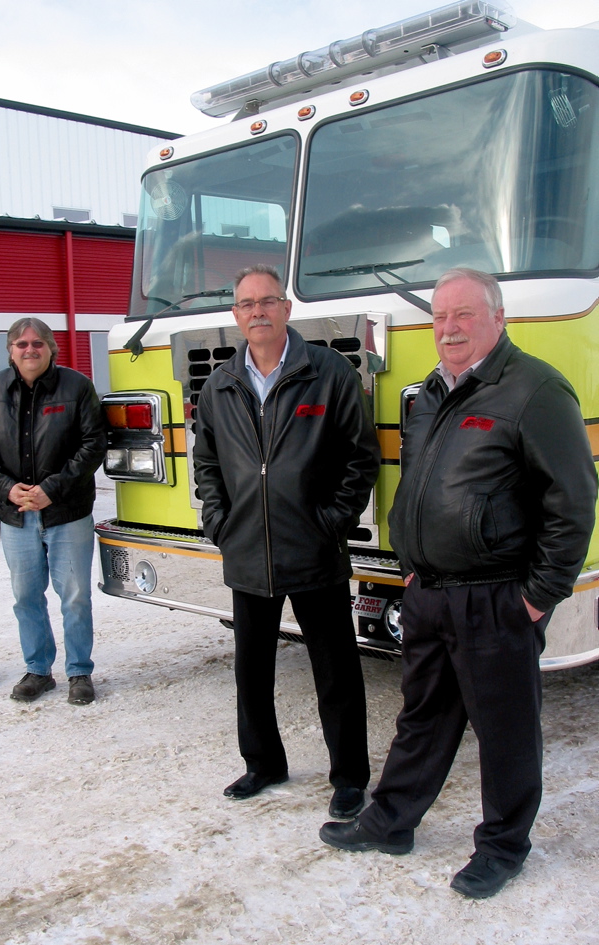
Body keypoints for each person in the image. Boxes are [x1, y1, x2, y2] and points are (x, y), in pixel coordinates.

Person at [320, 268, 597, 898]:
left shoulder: (535, 390)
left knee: (505, 731)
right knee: (421, 717)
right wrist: (412, 562)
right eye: (441, 316)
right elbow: (419, 482)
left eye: (464, 315)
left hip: (496, 596)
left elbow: (574, 503)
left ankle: (503, 846)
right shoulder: (432, 394)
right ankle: (391, 821)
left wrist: (536, 597)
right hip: (429, 593)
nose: (449, 328)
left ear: (499, 319)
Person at [193, 264, 380, 816]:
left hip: (315, 549)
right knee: (251, 669)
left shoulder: (327, 374)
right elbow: (206, 463)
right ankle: (263, 764)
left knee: (336, 670)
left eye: (268, 301)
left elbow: (361, 457)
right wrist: (220, 523)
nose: (258, 312)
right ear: (235, 315)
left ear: (286, 308)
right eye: (247, 304)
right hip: (247, 549)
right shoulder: (220, 385)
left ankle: (348, 776)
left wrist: (331, 522)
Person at [0, 318, 107, 705]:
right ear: (11, 350)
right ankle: (38, 671)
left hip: (68, 512)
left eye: (37, 344)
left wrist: (52, 489)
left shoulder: (77, 387)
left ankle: (79, 671)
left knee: (75, 596)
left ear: (51, 349)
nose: (30, 350)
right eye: (22, 344)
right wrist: (5, 489)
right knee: (26, 596)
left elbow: (94, 444)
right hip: (17, 516)